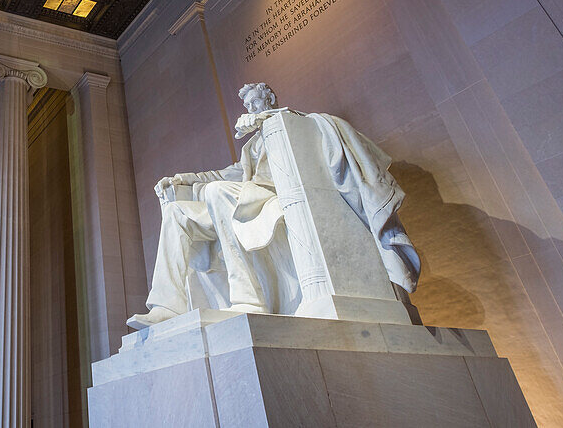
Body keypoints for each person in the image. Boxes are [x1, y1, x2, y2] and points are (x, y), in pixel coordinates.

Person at [127, 83, 419, 330]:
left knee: (217, 193)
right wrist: (182, 179)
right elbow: (226, 174)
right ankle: (167, 305)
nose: (252, 108)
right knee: (179, 211)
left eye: (257, 102)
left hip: (275, 199)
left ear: (270, 101)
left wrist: (270, 119)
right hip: (245, 199)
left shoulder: (295, 123)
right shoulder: (252, 146)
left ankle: (248, 297)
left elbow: (296, 128)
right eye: (249, 104)